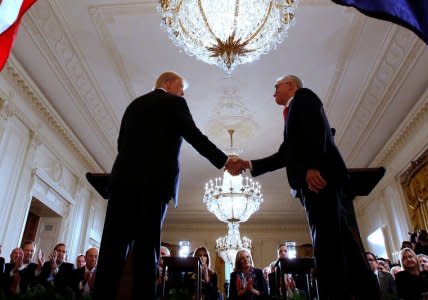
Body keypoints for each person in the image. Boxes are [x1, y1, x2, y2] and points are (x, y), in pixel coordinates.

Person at [94, 71, 247, 300]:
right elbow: (194, 136)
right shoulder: (175, 102)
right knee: (147, 250)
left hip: (121, 184)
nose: (183, 92)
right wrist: (225, 161)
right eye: (181, 87)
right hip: (153, 186)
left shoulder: (134, 105)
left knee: (111, 251)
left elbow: (121, 144)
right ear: (168, 83)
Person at [248, 74, 380, 299]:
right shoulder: (292, 110)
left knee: (326, 248)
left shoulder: (304, 97)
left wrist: (312, 166)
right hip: (322, 183)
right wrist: (251, 165)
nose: (273, 93)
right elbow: (286, 153)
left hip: (318, 182)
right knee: (345, 247)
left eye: (276, 87)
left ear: (290, 85)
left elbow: (317, 129)